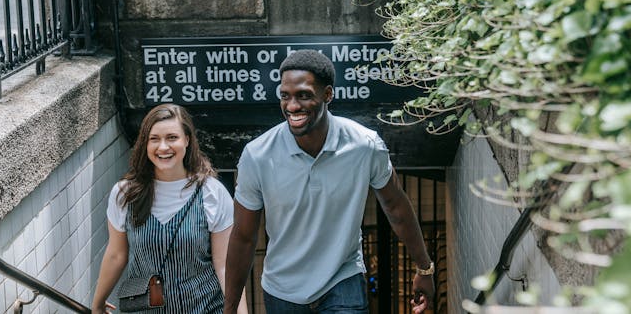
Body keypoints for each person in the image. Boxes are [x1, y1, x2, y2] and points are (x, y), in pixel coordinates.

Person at [224, 49, 435, 314]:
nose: (292, 106)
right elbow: (243, 237)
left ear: (328, 95)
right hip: (282, 291)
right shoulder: (257, 156)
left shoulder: (364, 145)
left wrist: (424, 267)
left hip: (342, 279)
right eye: (285, 96)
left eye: (303, 95)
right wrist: (230, 308)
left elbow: (396, 206)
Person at [92, 104, 248, 313]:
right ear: (145, 144)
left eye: (172, 137)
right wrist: (97, 303)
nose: (163, 147)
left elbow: (225, 266)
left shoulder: (211, 193)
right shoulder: (125, 193)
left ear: (187, 140)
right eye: (154, 139)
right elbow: (116, 255)